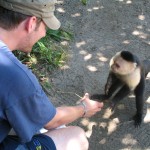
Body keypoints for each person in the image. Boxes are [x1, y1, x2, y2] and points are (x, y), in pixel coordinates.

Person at [0, 0, 104, 149]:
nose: (44, 33)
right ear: (31, 23)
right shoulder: (16, 77)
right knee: (76, 136)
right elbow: (50, 121)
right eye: (45, 27)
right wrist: (83, 108)